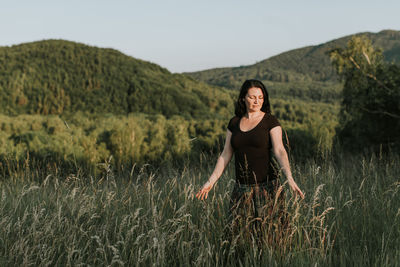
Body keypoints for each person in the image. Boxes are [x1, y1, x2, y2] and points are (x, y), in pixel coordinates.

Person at [195, 79, 304, 244]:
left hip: (267, 188)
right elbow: (225, 154)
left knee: (271, 238)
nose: (257, 101)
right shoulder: (234, 123)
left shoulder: (270, 121)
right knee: (238, 237)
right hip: (241, 189)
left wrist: (289, 177)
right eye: (252, 97)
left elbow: (280, 150)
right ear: (243, 98)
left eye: (260, 97)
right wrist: (210, 182)